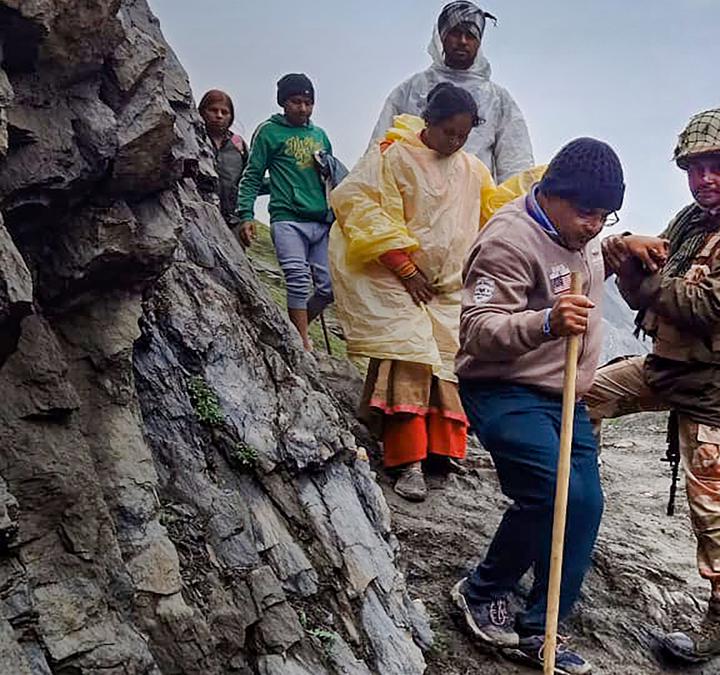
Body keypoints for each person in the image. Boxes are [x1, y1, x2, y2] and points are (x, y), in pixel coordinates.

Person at [587, 106, 720, 663]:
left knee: (709, 500)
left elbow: (710, 307)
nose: (706, 177)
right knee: (588, 392)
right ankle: (572, 500)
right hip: (671, 363)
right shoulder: (690, 221)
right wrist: (627, 251)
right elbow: (649, 286)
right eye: (696, 167)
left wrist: (638, 268)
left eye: (719, 167)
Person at [450, 138, 625, 674]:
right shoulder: (508, 240)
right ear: (550, 194)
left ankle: (541, 626)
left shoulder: (585, 234)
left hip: (567, 394)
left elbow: (596, 254)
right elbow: (477, 328)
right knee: (551, 493)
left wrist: (626, 244)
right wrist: (546, 323)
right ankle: (481, 593)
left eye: (606, 215)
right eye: (586, 213)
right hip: (504, 388)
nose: (594, 225)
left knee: (586, 504)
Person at [328, 83, 539, 501]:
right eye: (449, 133)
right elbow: (361, 205)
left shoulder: (471, 169)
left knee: (446, 366)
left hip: (446, 289)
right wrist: (405, 268)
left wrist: (535, 184)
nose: (455, 142)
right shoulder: (392, 157)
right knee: (410, 362)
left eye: (463, 136)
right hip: (399, 285)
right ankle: (407, 462)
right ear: (431, 122)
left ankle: (441, 454)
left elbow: (490, 211)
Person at [368, 1, 533, 183]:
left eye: (470, 35)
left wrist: (509, 209)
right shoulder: (411, 90)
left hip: (473, 204)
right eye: (455, 33)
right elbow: (378, 154)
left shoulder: (498, 99)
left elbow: (516, 166)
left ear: (479, 42)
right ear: (441, 37)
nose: (462, 41)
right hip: (413, 200)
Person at [237, 73, 335, 351]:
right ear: (283, 102)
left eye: (308, 102)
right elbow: (253, 174)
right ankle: (302, 342)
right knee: (297, 278)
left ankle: (294, 329)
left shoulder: (320, 135)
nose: (302, 108)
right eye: (296, 101)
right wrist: (246, 214)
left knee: (328, 287)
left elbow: (331, 177)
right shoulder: (269, 132)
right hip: (287, 218)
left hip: (320, 220)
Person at [198, 89, 254, 247]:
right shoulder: (193, 138)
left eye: (225, 112)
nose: (219, 115)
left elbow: (250, 181)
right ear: (202, 111)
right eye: (213, 110)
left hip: (232, 221)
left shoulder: (238, 145)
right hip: (199, 216)